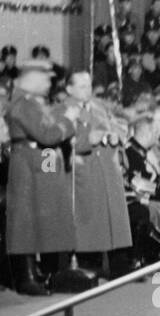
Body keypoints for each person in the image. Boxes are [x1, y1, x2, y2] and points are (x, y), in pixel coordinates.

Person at [4, 60, 78, 295]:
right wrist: (68, 121)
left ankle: (34, 272)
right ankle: (26, 278)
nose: (49, 84)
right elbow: (47, 134)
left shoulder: (31, 103)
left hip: (37, 159)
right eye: (46, 79)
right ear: (32, 78)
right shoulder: (24, 103)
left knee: (38, 219)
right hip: (28, 163)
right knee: (25, 221)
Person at [64, 71, 132, 277]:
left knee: (114, 219)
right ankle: (90, 266)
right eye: (82, 86)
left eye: (89, 85)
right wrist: (88, 139)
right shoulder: (63, 110)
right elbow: (59, 141)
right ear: (69, 89)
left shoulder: (99, 106)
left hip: (108, 169)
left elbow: (117, 125)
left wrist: (115, 136)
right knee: (91, 222)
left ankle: (119, 264)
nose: (88, 90)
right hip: (85, 170)